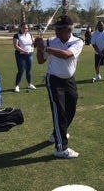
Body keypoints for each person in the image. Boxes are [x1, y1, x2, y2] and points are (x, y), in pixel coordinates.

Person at [35, 15, 84, 159]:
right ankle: (61, 148)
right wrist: (39, 48)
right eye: (55, 28)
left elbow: (66, 55)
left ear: (68, 30)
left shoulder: (78, 41)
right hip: (54, 80)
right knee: (59, 111)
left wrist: (45, 47)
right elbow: (40, 61)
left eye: (58, 29)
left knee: (71, 108)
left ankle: (57, 133)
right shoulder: (50, 41)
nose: (55, 31)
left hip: (69, 80)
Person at [13, 22, 36, 93]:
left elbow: (33, 44)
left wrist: (36, 42)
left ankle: (30, 84)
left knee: (29, 70)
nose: (25, 29)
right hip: (20, 55)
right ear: (20, 28)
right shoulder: (17, 35)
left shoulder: (30, 35)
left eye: (26, 28)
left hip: (29, 54)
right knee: (21, 71)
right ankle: (17, 86)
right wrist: (24, 51)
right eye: (23, 28)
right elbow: (16, 46)